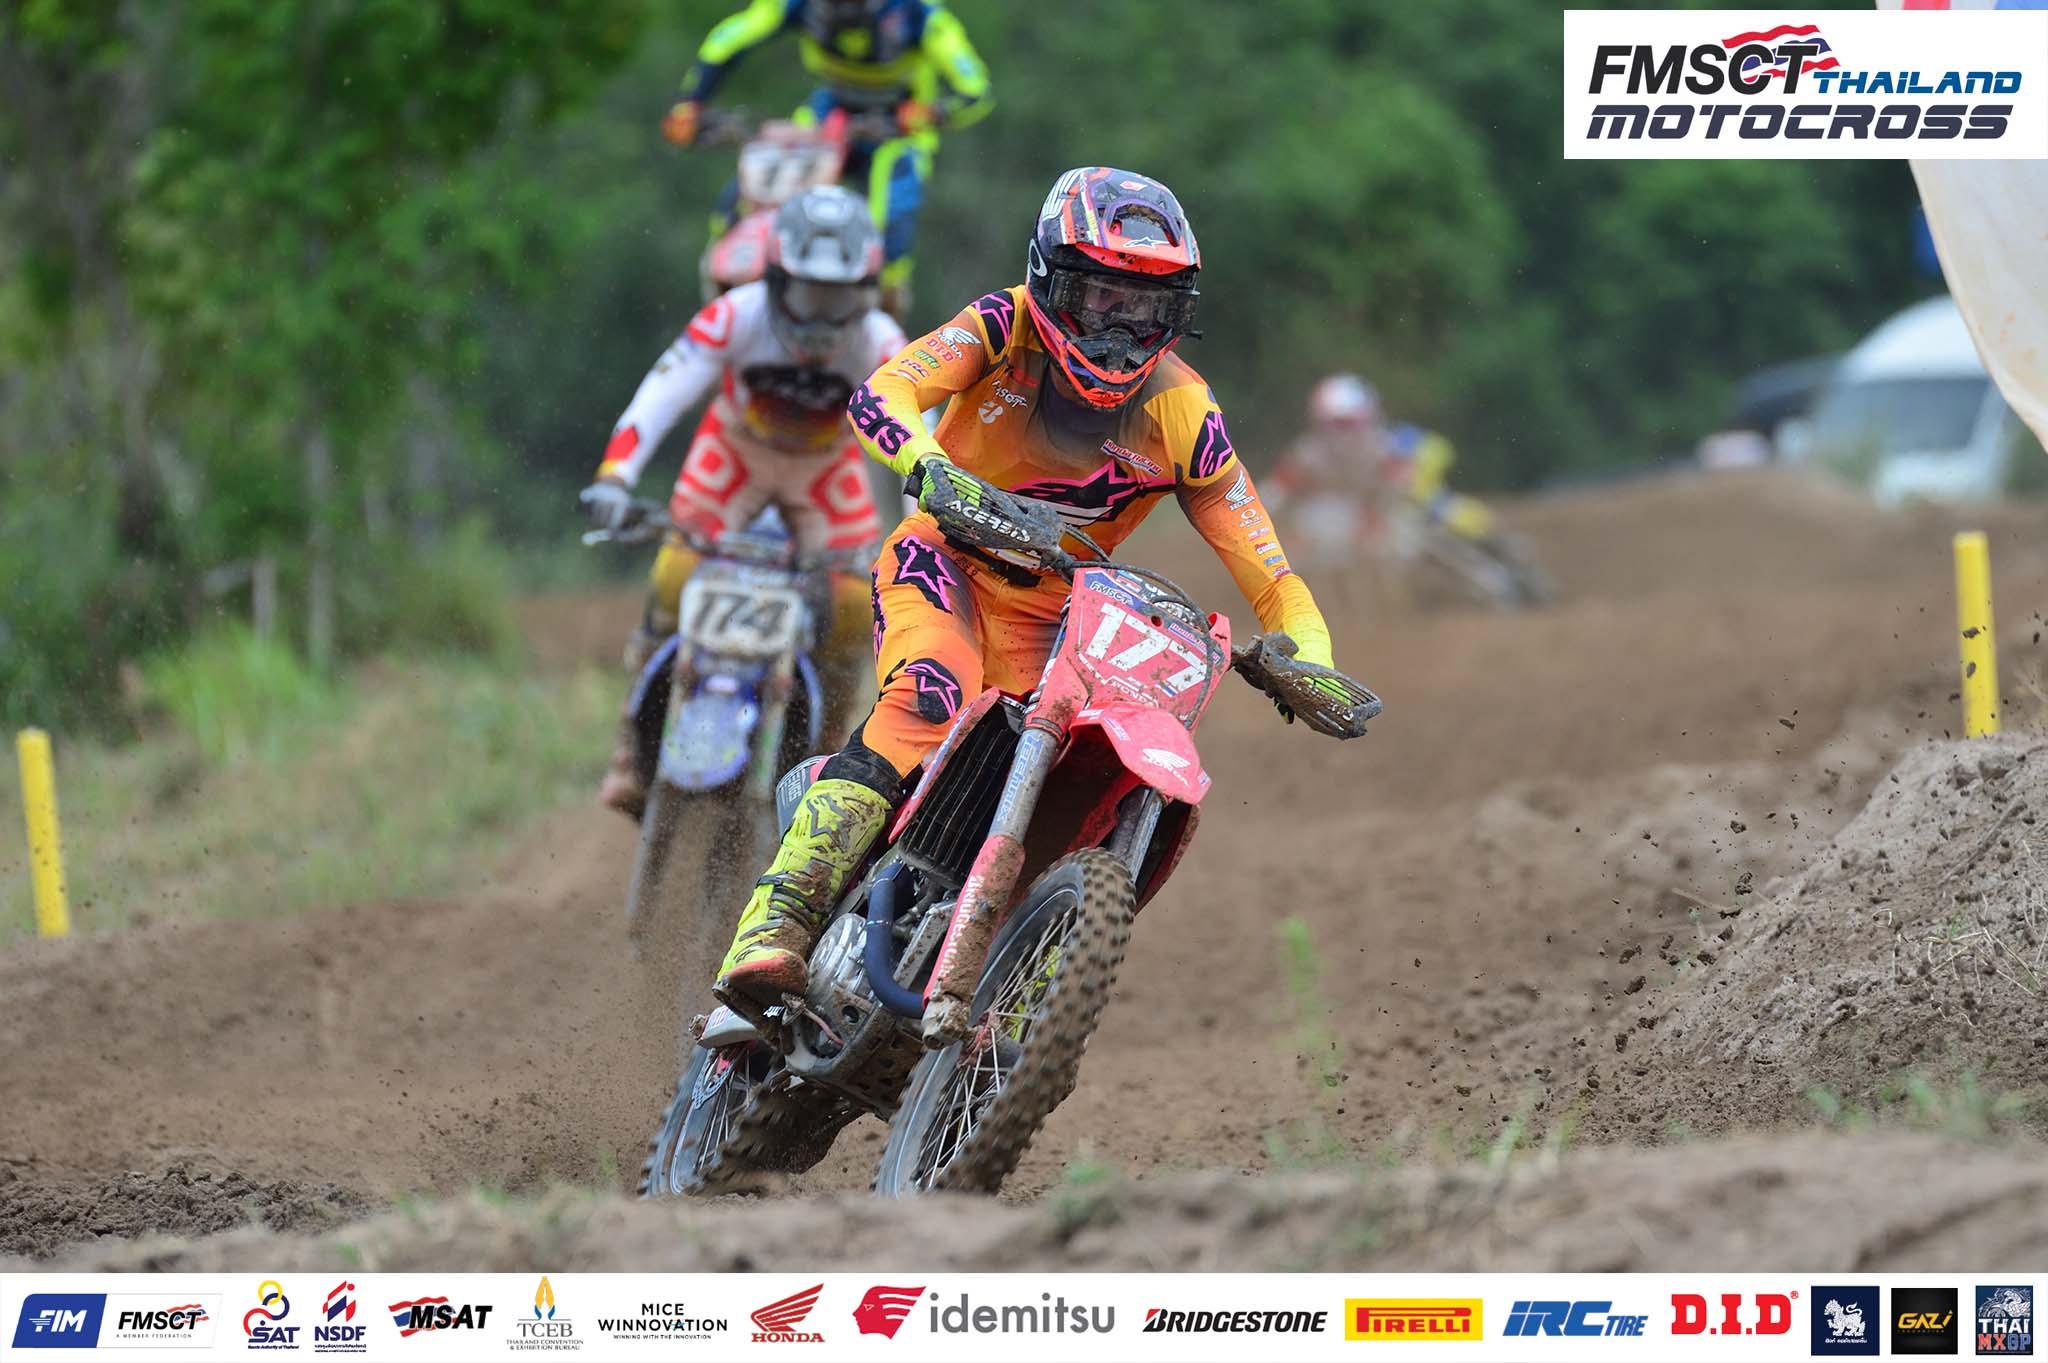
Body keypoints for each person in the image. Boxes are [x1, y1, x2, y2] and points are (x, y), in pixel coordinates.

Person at [712, 165, 1354, 1008]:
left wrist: (1313, 658)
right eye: (1102, 299)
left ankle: (1006, 981)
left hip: (1062, 617)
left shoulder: (1186, 415)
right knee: (931, 695)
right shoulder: (999, 325)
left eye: (1148, 309)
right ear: (1051, 280)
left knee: (1076, 767)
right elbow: (883, 393)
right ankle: (778, 920)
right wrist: (929, 466)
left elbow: (1272, 574)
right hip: (945, 565)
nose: (1121, 331)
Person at [581, 185, 906, 817]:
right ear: (777, 280)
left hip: (824, 466)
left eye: (838, 297)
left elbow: (915, 434)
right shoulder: (737, 314)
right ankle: (629, 747)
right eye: (810, 294)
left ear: (866, 291)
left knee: (850, 606)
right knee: (674, 572)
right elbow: (665, 390)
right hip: (736, 451)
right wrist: (615, 477)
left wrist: (926, 522)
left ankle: (825, 759)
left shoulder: (883, 342)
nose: (822, 316)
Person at [660, 0, 994, 313]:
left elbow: (976, 91)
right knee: (746, 196)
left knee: (889, 221)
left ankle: (885, 315)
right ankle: (717, 310)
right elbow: (732, 38)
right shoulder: (798, 3)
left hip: (897, 127)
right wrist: (689, 103)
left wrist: (927, 114)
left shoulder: (917, 11)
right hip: (830, 113)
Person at [1273, 374, 1495, 566]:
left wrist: (1377, 514)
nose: (1342, 433)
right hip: (1343, 525)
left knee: (1417, 532)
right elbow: (1277, 491)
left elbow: (1403, 491)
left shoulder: (1384, 448)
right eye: (1336, 423)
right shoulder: (1309, 452)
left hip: (1391, 520)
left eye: (1348, 423)